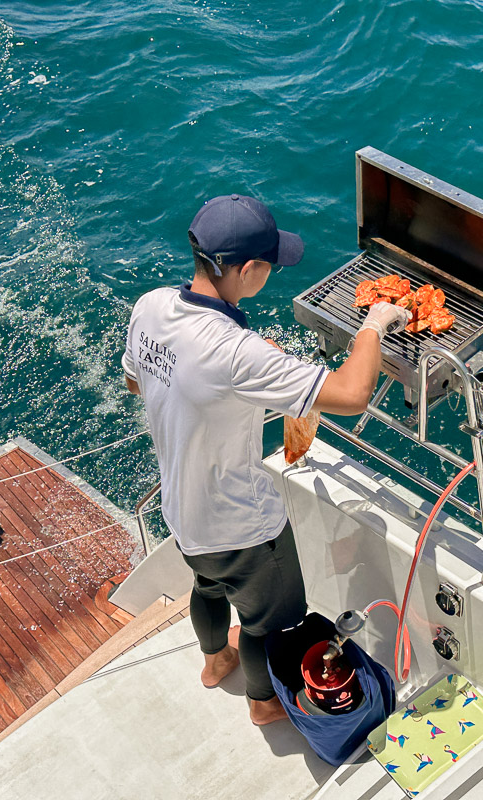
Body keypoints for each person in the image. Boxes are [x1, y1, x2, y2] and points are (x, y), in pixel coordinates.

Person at [122, 194, 410, 725]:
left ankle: (215, 663)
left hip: (182, 514)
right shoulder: (236, 352)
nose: (271, 274)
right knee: (268, 625)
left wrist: (233, 387)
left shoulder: (151, 306)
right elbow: (350, 394)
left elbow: (136, 381)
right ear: (248, 269)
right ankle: (263, 702)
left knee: (207, 587)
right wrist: (374, 323)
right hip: (245, 530)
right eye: (270, 266)